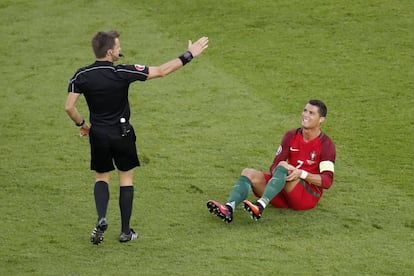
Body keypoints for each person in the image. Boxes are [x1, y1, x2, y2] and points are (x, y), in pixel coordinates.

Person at [65, 30, 208, 244]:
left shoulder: (82, 75)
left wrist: (83, 125)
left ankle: (102, 217)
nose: (121, 49)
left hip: (99, 135)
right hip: (123, 134)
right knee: (126, 179)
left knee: (102, 177)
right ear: (111, 52)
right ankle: (125, 232)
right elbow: (161, 71)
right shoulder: (122, 72)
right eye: (118, 47)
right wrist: (189, 55)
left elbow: (69, 107)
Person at [207, 99, 336, 223]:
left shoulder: (326, 145)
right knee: (248, 173)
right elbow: (275, 165)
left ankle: (260, 205)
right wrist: (279, 173)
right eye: (305, 110)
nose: (305, 115)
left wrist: (301, 173)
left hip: (306, 197)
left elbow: (327, 180)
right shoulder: (291, 136)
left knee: (286, 168)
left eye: (311, 113)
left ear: (321, 119)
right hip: (284, 191)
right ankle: (228, 208)